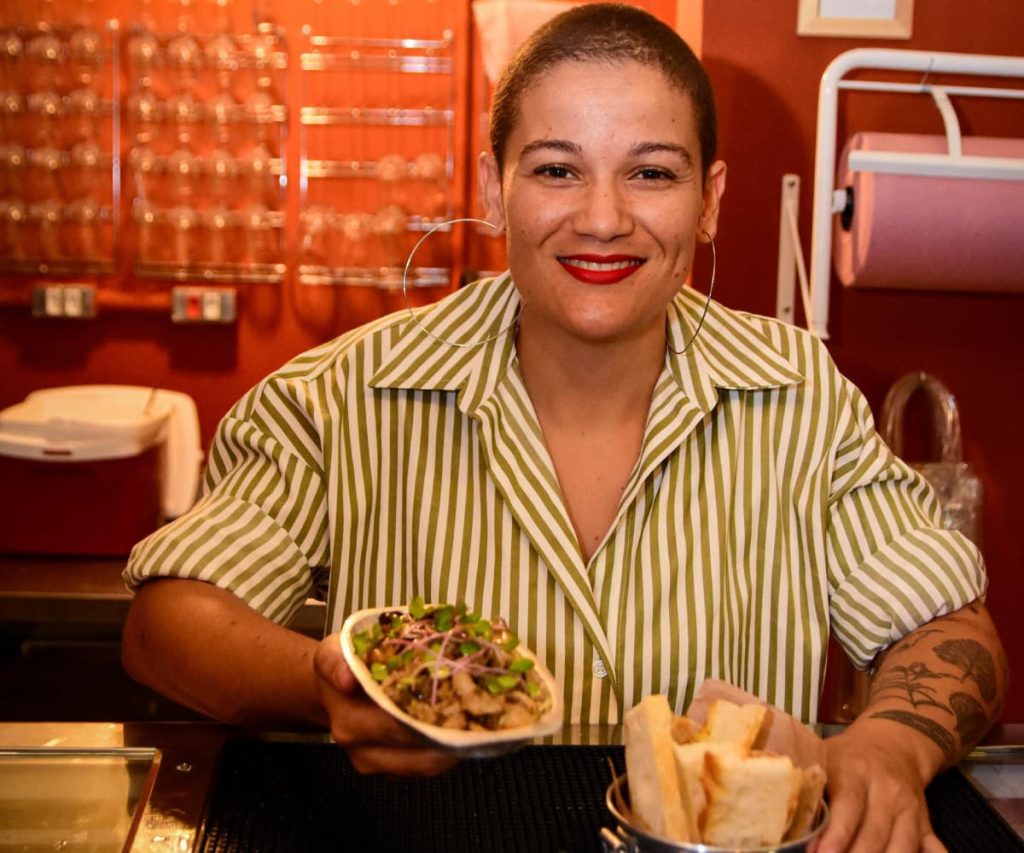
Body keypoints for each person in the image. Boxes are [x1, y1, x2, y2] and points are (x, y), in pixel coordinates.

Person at [121, 4, 1005, 850]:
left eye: (651, 172)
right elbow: (170, 620)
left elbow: (949, 629)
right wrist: (334, 690)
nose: (603, 217)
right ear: (493, 190)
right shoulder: (342, 391)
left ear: (709, 199)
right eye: (555, 168)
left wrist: (890, 747)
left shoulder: (800, 392)